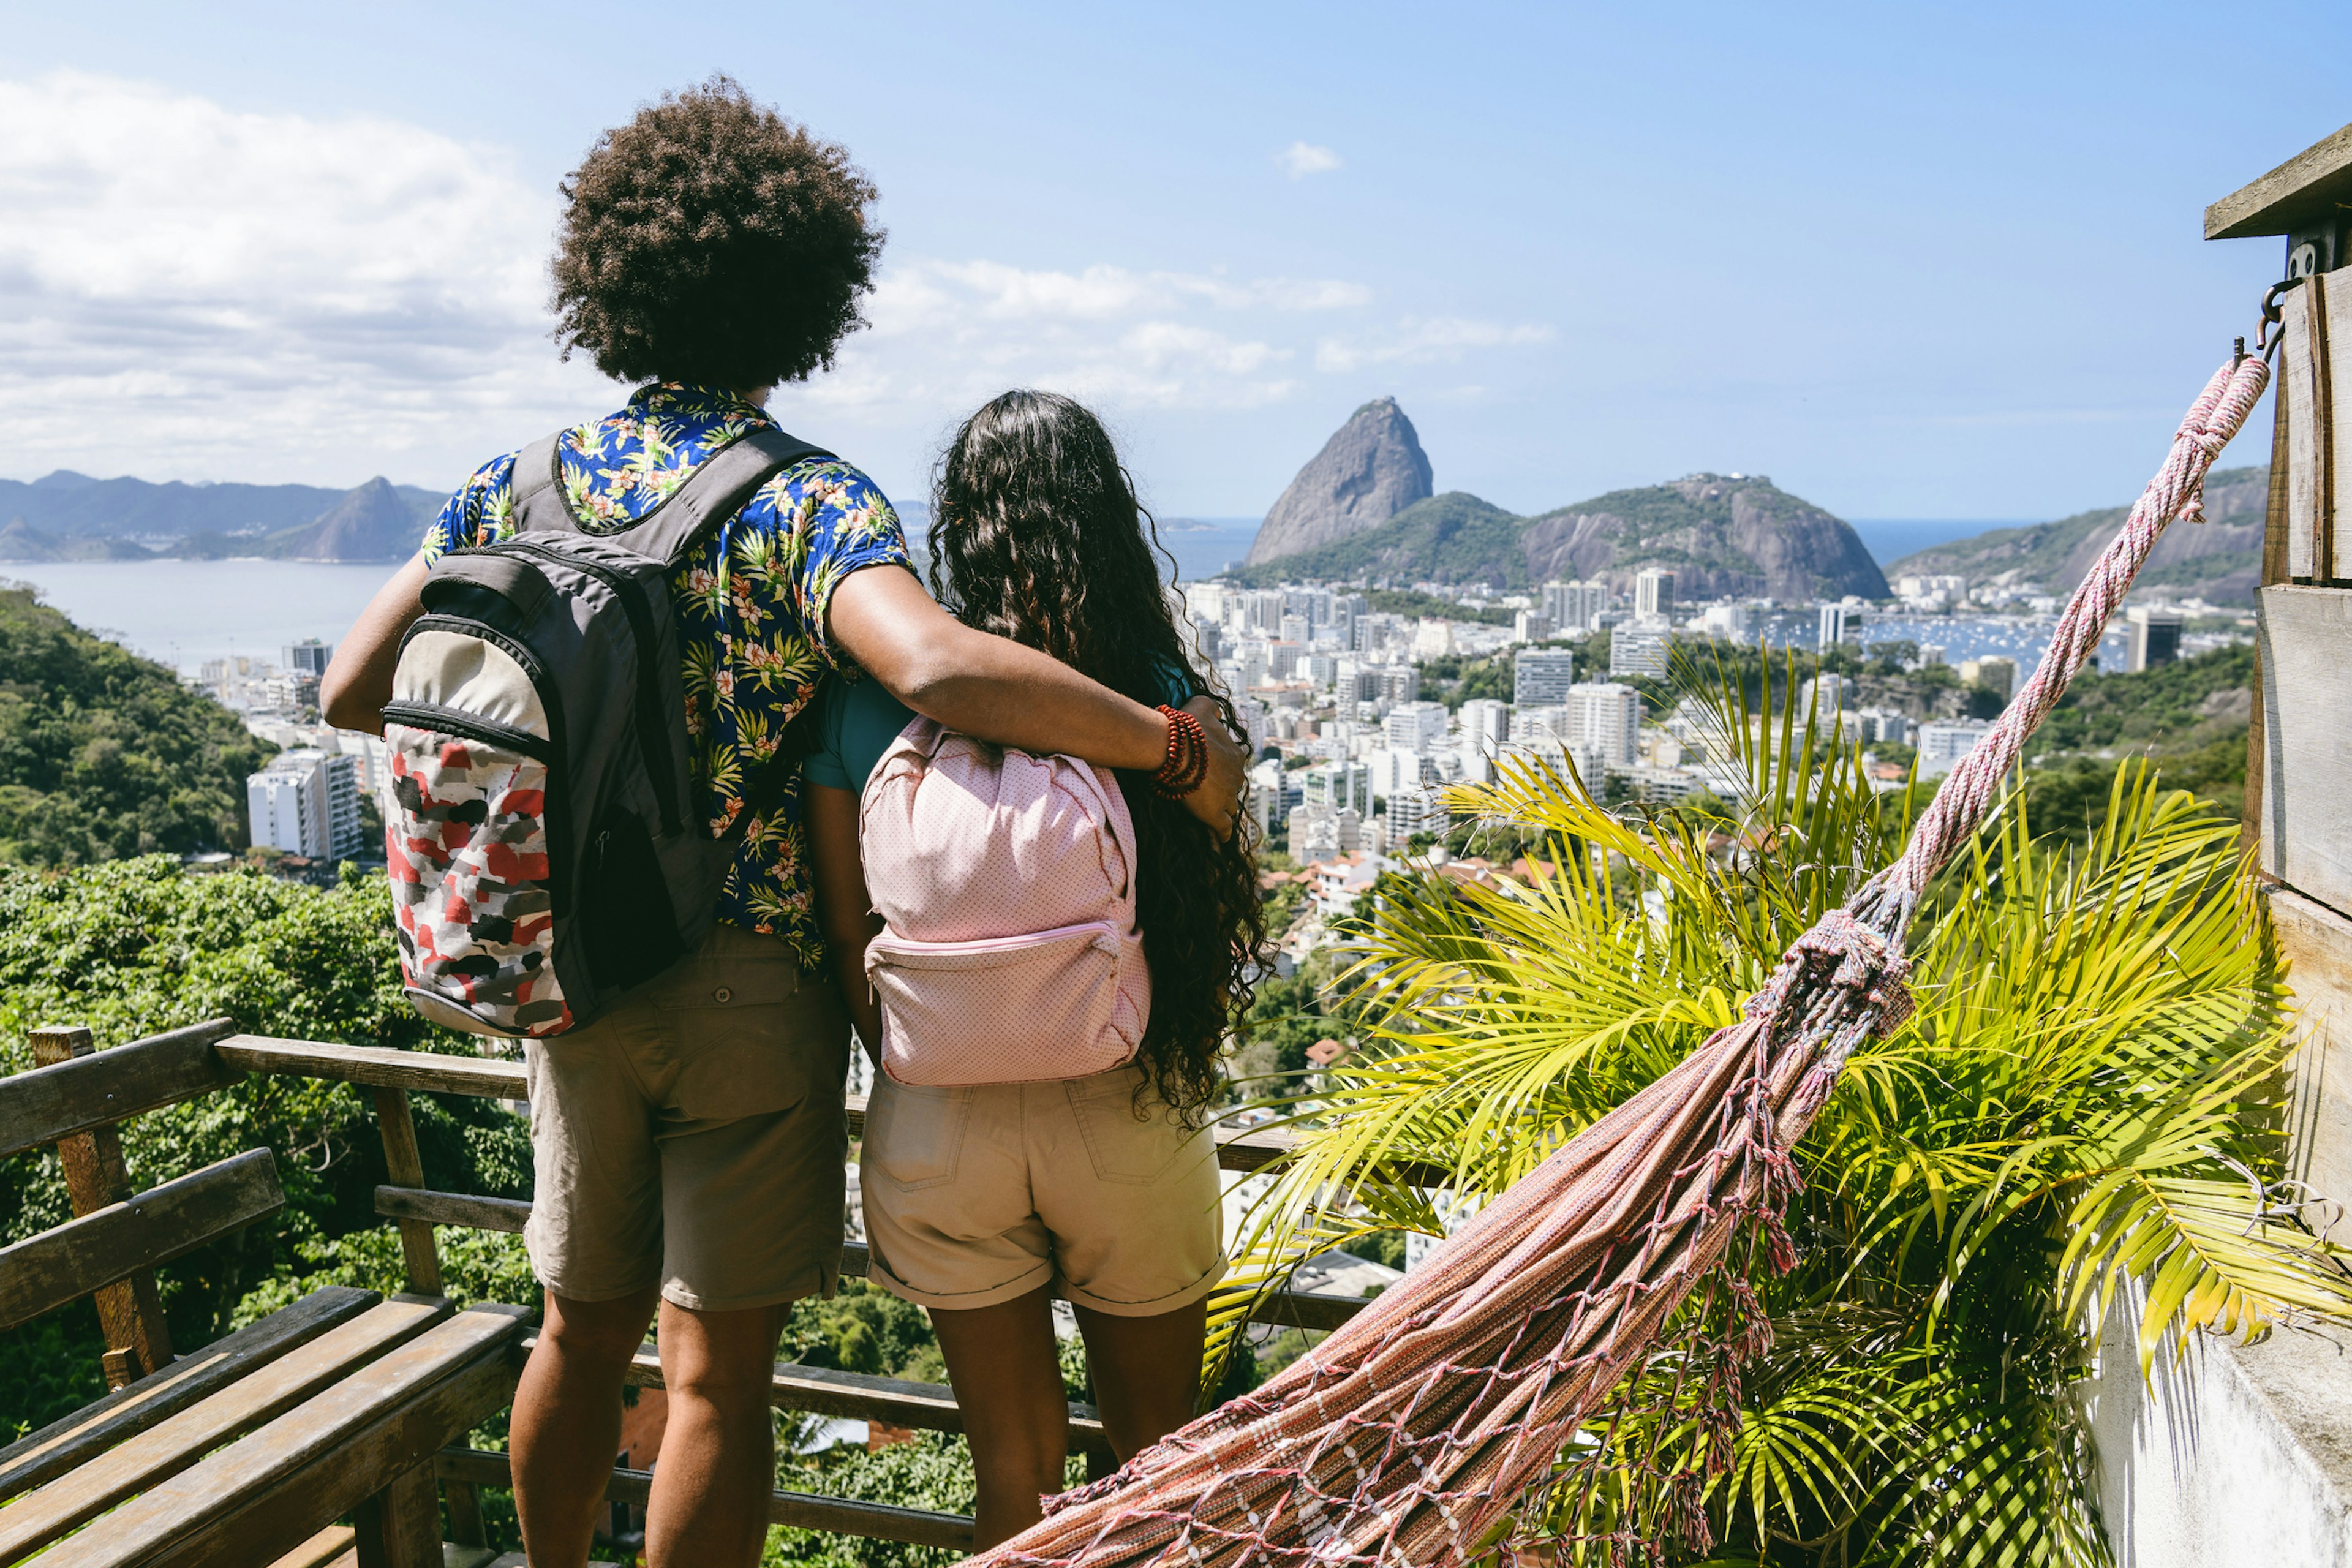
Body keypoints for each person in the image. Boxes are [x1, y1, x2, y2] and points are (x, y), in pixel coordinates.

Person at [319, 87, 1243, 1568]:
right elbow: (933, 665)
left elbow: (362, 687)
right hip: (746, 979)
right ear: (805, 300)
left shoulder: (514, 481)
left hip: (564, 970)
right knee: (712, 1375)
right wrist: (1171, 742)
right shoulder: (802, 499)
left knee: (575, 1325)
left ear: (608, 283)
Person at [804, 390, 1265, 1550]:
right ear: (1109, 515)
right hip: (1125, 1100)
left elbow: (844, 933)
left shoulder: (870, 698)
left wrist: (923, 1060)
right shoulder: (1155, 697)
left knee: (1014, 1465)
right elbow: (1201, 895)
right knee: (1156, 1449)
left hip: (936, 1114)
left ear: (958, 523)